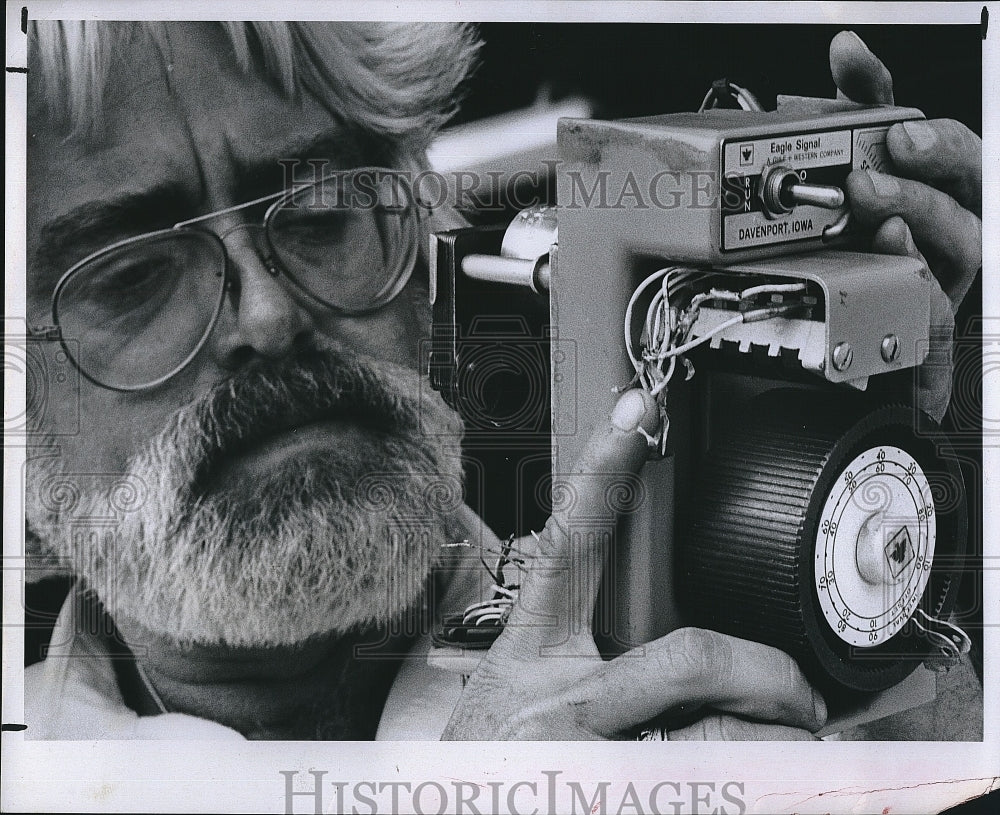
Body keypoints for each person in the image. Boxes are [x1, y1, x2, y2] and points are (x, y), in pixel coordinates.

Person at [20, 20, 982, 740]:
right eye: (133, 276)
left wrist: (884, 651)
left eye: (323, 212)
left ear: (427, 247)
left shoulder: (710, 625)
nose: (268, 316)